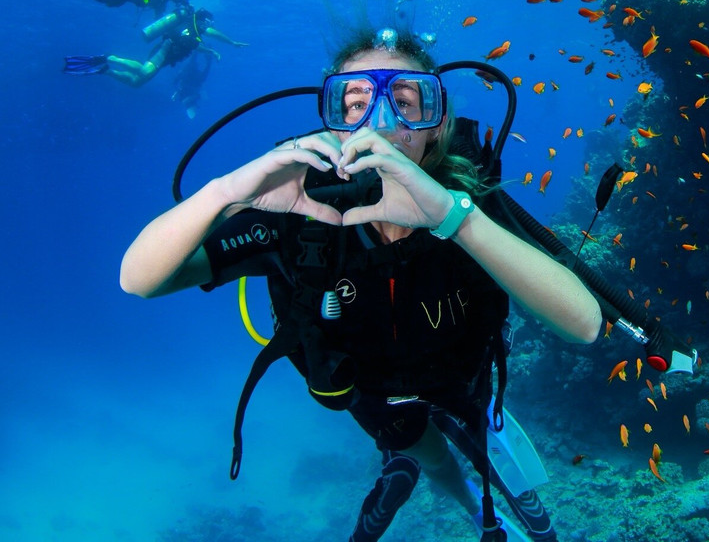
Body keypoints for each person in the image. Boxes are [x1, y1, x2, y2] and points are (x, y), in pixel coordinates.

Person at [118, 29, 602, 540]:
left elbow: (585, 323)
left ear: (435, 127)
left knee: (475, 420)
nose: (382, 123)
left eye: (405, 101)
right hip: (368, 389)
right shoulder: (301, 214)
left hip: (461, 370)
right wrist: (227, 193)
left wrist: (456, 218)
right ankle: (470, 505)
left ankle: (484, 465)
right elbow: (140, 280)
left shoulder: (463, 202)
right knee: (434, 460)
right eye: (355, 102)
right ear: (336, 123)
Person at [63, 4, 247, 87]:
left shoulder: (194, 33)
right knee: (144, 72)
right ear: (204, 20)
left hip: (168, 56)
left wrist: (211, 51)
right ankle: (109, 58)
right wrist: (232, 42)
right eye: (209, 23)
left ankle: (105, 70)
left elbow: (193, 46)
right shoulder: (197, 25)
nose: (210, 26)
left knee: (136, 83)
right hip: (165, 49)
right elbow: (214, 34)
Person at [172, 51, 214, 119]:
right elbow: (175, 82)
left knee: (195, 67)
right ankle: (205, 56)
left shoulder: (186, 71)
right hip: (193, 83)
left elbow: (175, 82)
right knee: (201, 75)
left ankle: (199, 53)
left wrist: (177, 91)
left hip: (190, 82)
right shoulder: (187, 71)